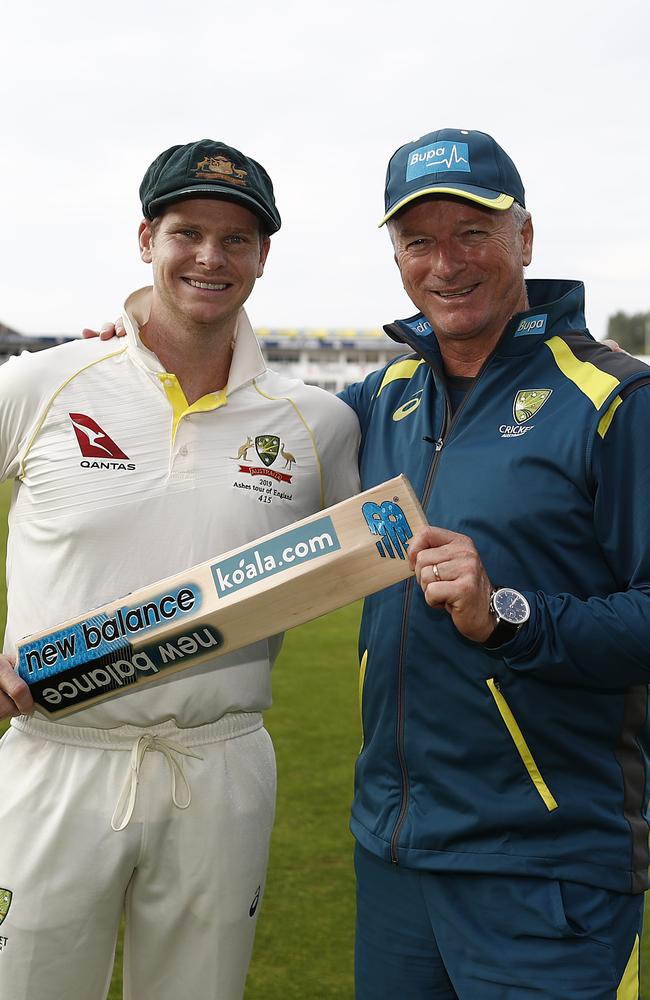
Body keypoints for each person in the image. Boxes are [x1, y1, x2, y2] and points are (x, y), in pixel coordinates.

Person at [0, 139, 360, 1000]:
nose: (210, 257)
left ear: (264, 256)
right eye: (187, 232)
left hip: (220, 762)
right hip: (56, 755)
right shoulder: (44, 382)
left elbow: (379, 545)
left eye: (237, 240)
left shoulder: (318, 423)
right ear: (145, 239)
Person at [336, 127, 650, 999]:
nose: (447, 263)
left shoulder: (616, 397)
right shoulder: (386, 396)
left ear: (525, 237)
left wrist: (504, 614)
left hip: (544, 861)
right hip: (395, 848)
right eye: (418, 241)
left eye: (472, 232)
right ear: (397, 257)